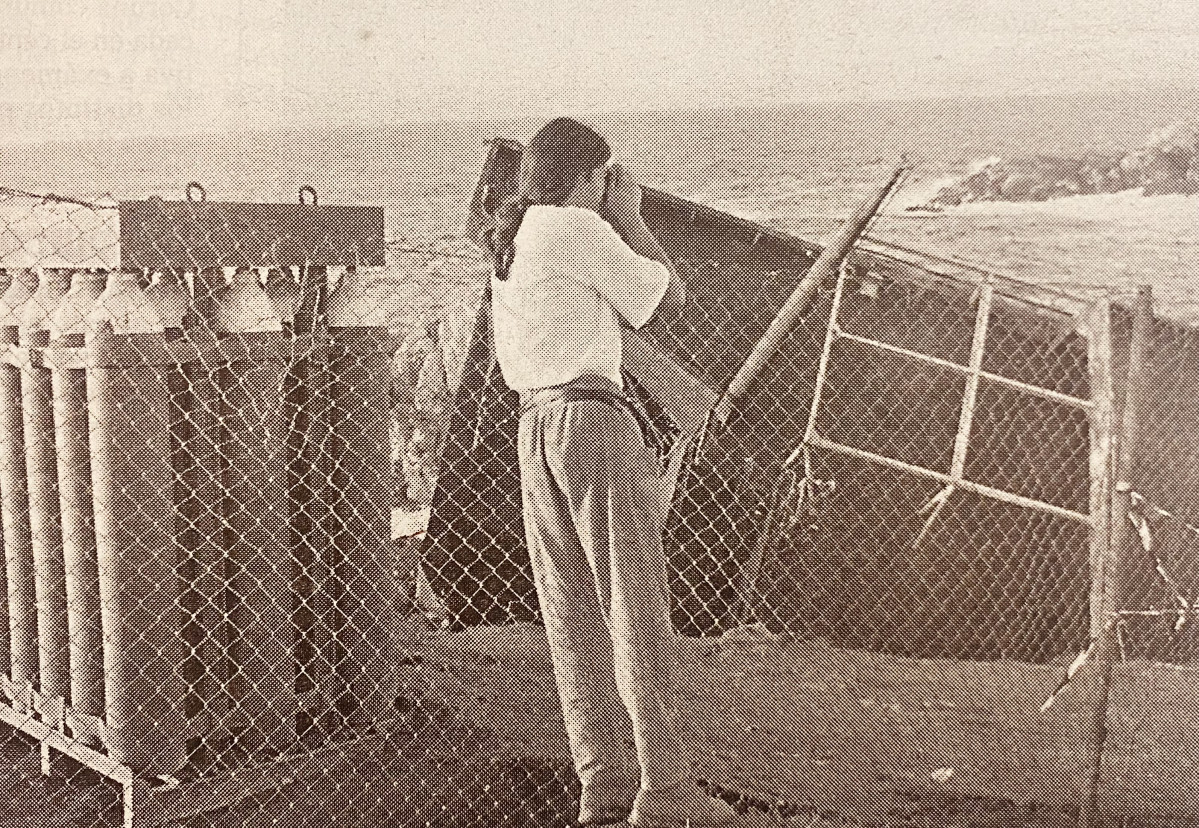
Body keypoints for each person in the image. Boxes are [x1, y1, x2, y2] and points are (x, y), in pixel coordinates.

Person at [487, 117, 740, 827]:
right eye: (603, 180)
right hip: (590, 422)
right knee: (634, 606)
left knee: (570, 615)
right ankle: (664, 792)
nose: (605, 192)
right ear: (588, 177)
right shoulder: (574, 225)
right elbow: (670, 299)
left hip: (533, 427)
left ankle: (602, 786)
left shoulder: (512, 239)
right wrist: (628, 216)